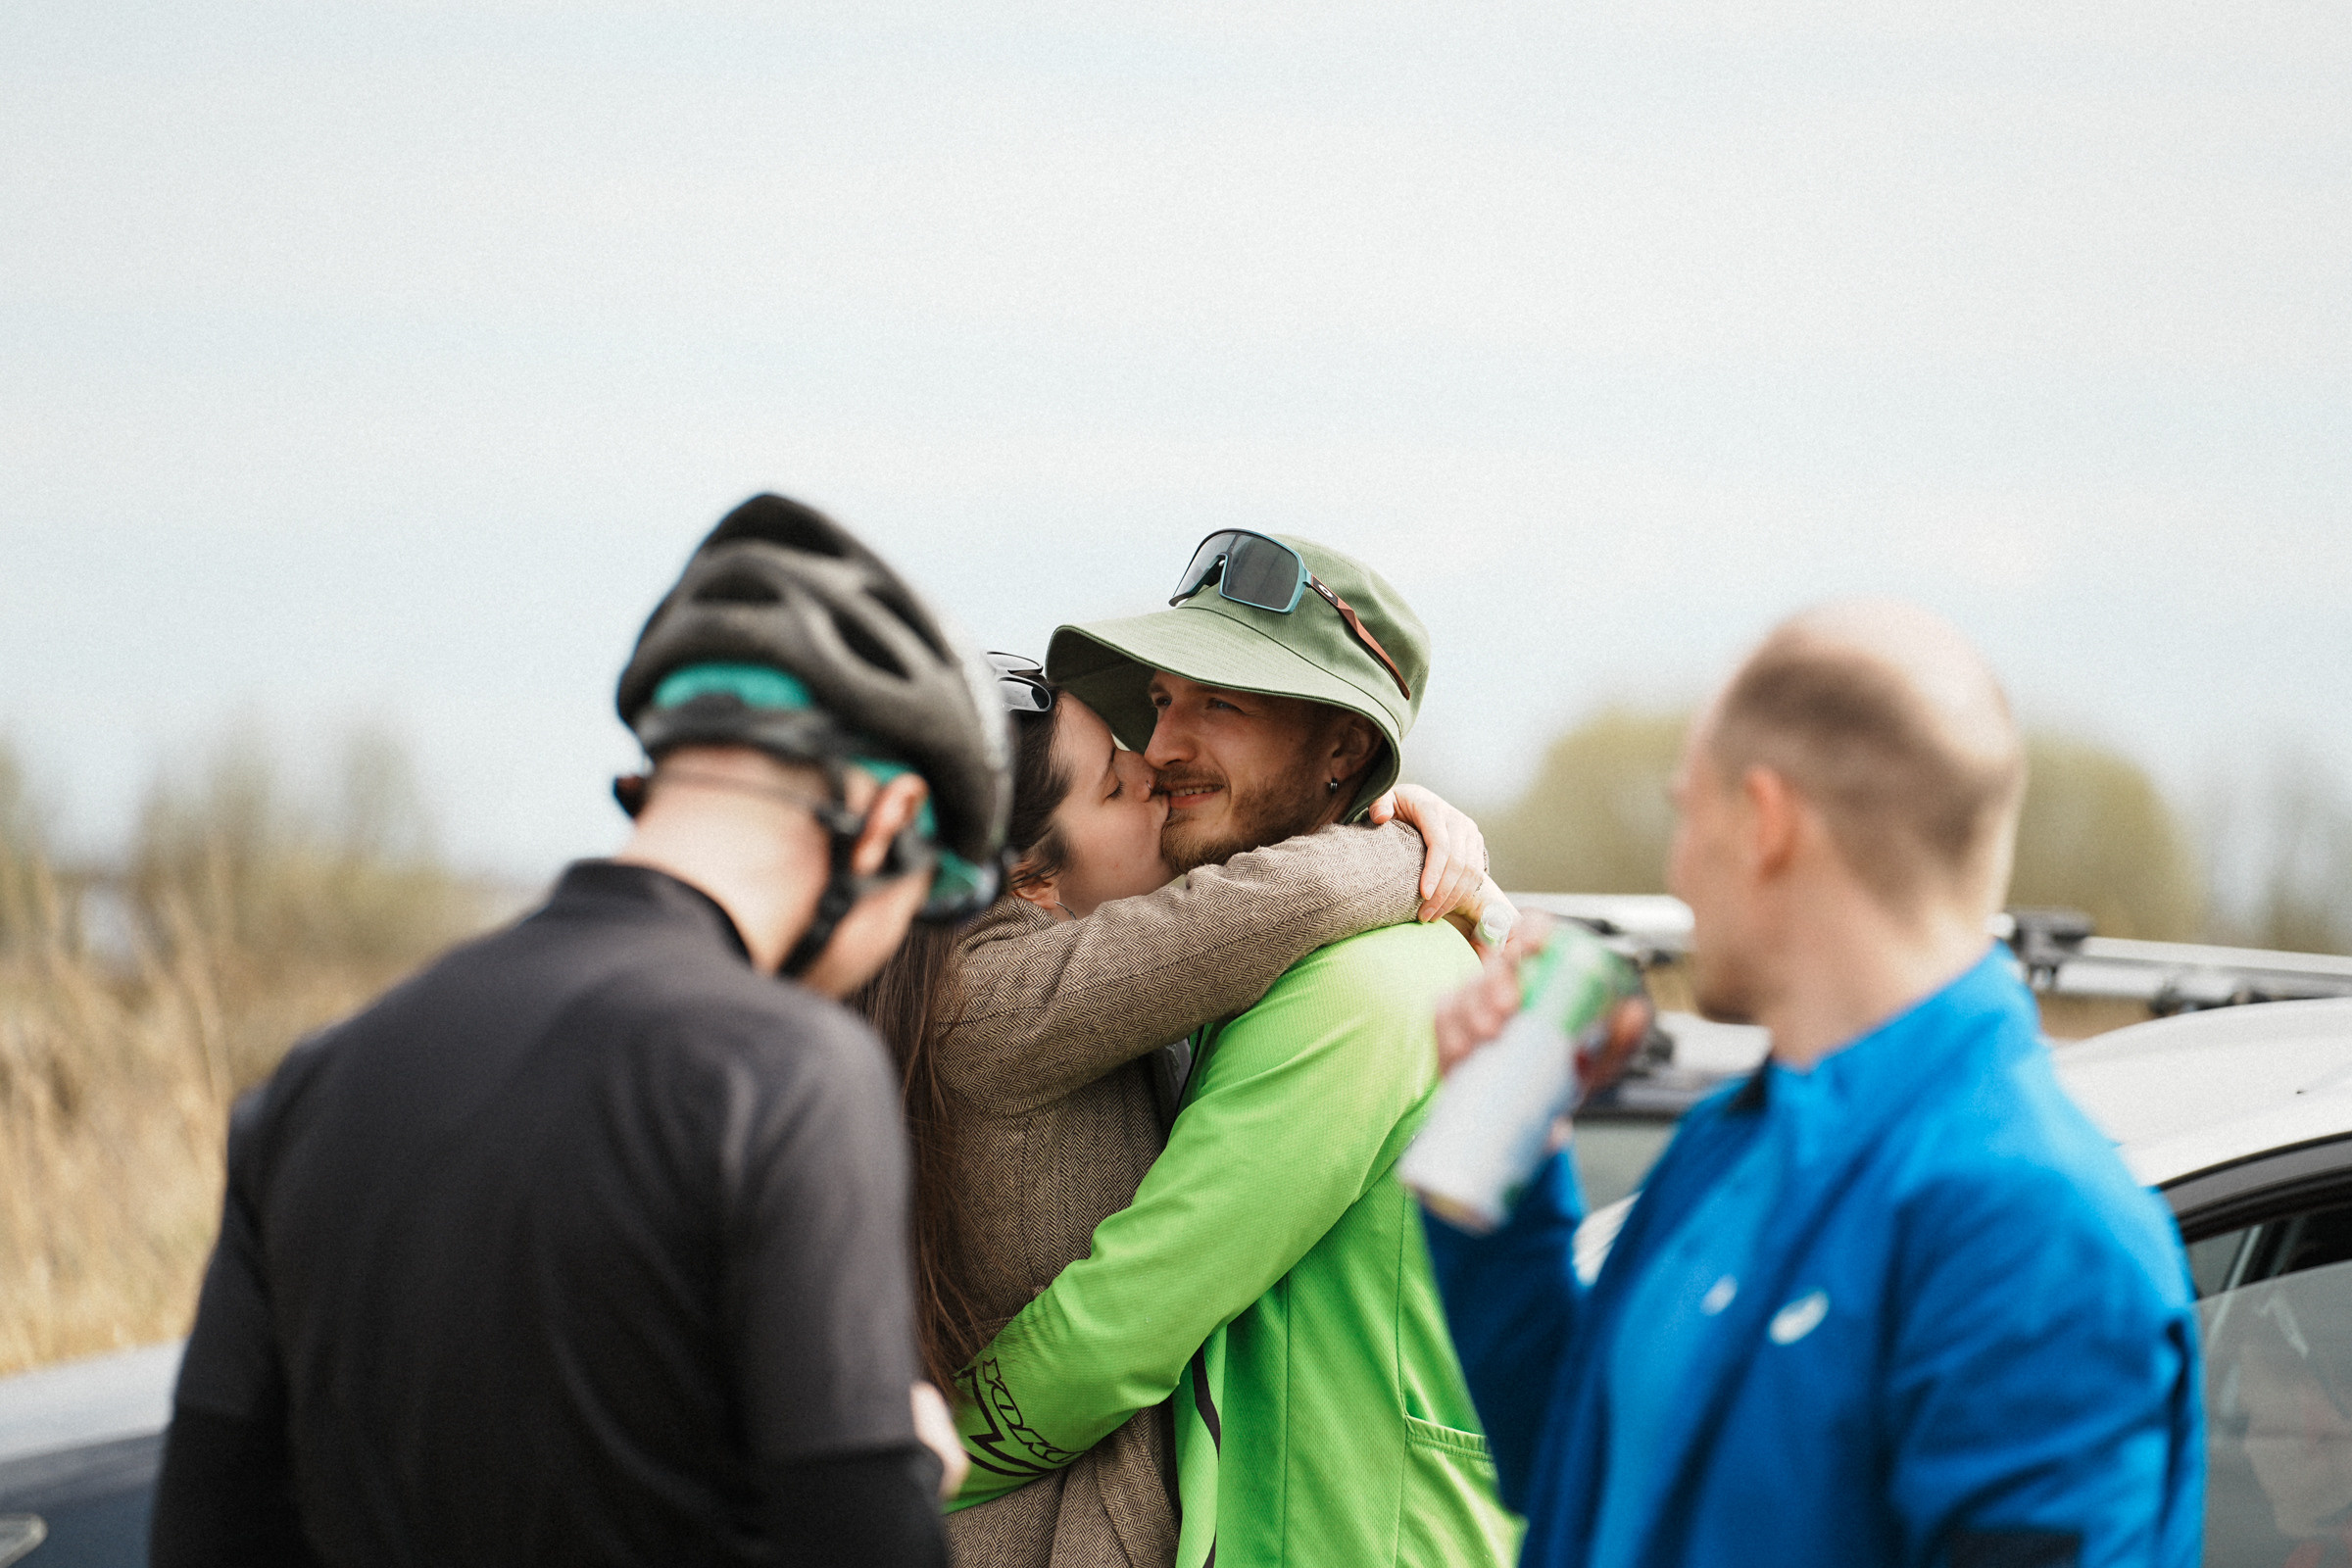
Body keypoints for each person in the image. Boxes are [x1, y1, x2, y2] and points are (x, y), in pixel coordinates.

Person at [150, 494, 1008, 1567]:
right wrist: (901, 1470)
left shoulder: (313, 1081)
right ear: (888, 822)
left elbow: (201, 1533)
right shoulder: (787, 1073)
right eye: (930, 899)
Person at [1423, 599, 2204, 1568]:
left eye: (1685, 812)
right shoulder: (1729, 1143)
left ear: (1765, 821)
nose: (1676, 869)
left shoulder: (2036, 1224)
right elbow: (1577, 1475)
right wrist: (1506, 1153)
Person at [855, 654, 1509, 1567]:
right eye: (1116, 786)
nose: (1156, 774)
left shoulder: (970, 979)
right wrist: (1414, 849)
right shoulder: (1002, 994)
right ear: (1032, 874)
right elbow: (1292, 899)